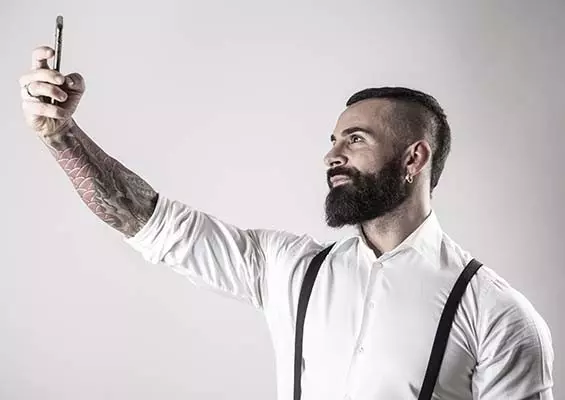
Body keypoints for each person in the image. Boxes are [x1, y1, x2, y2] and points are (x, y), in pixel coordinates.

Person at [19, 45, 554, 399]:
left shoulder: (498, 315)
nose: (332, 157)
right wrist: (61, 136)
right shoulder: (291, 269)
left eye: (356, 140)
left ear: (414, 158)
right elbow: (148, 219)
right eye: (334, 140)